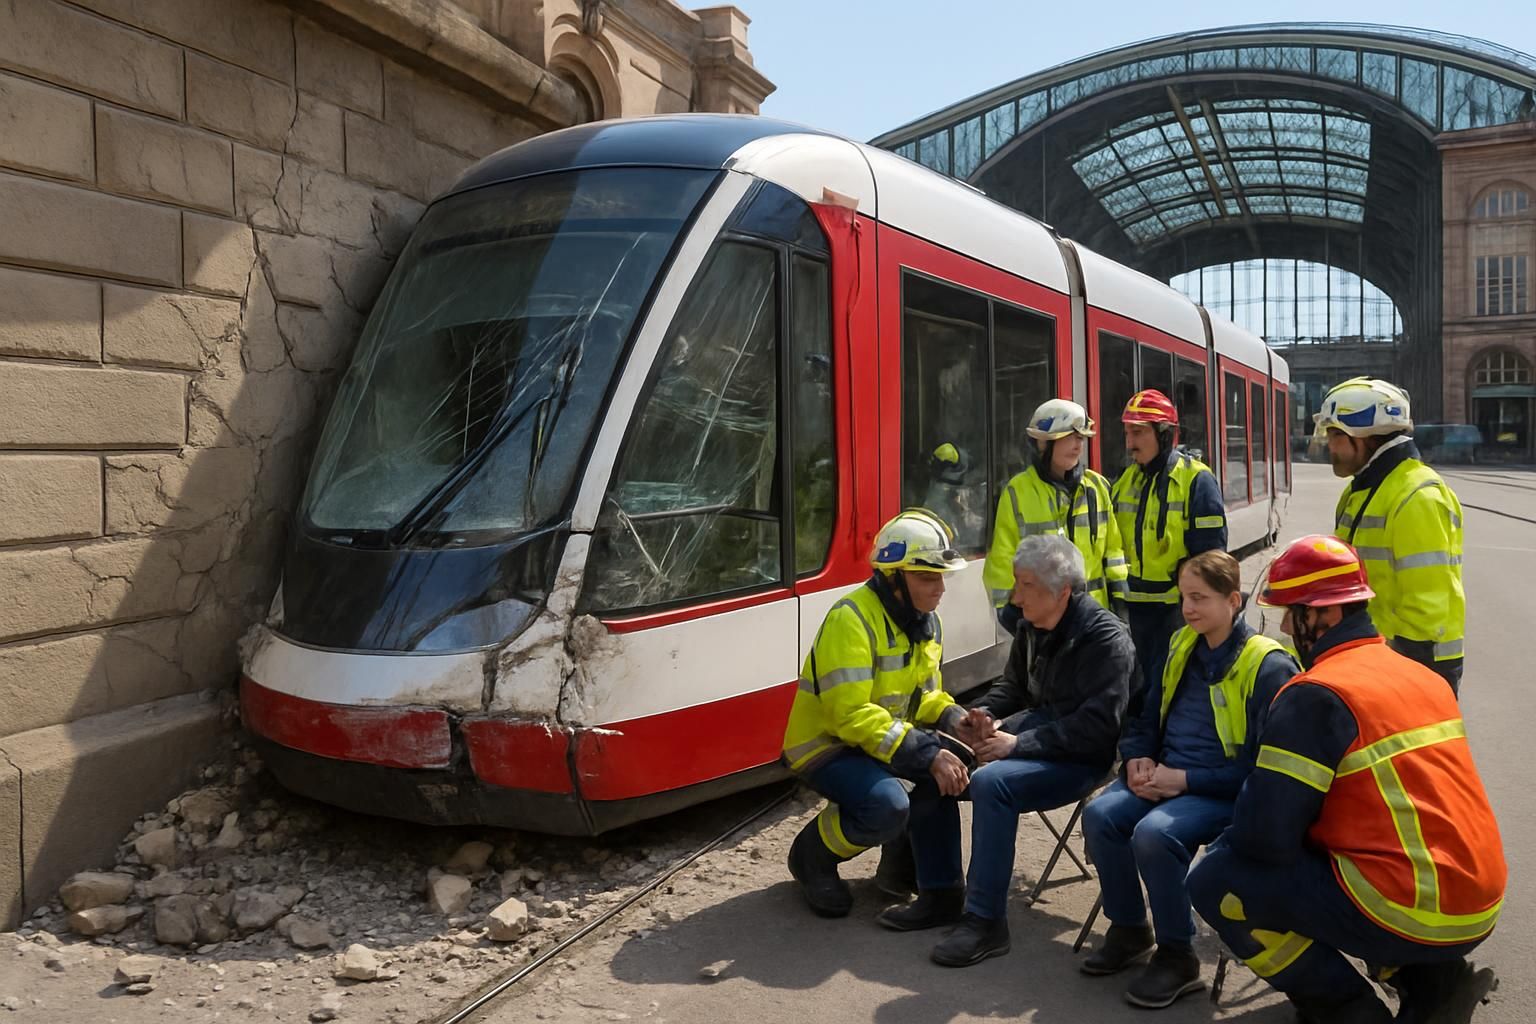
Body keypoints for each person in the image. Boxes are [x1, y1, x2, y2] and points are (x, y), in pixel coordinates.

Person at [1188, 536, 1504, 1024]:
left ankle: (1346, 1012)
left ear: (1327, 615)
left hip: (1410, 907)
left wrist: (1233, 837)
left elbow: (1264, 837)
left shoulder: (1316, 693)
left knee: (1217, 879)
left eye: (1293, 614)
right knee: (1326, 861)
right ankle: (1432, 982)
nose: (1288, 628)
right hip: (1476, 898)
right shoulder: (1418, 674)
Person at [876, 534, 1135, 968]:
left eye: (1025, 585)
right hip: (1034, 734)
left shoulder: (1107, 640)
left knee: (993, 783)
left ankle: (985, 922)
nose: (1015, 597)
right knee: (933, 756)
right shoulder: (1034, 622)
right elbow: (1014, 687)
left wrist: (1017, 743)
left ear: (1063, 591)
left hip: (1081, 756)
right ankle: (940, 892)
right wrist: (984, 715)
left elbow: (1098, 729)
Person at [1080, 550, 1297, 1008]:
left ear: (1233, 600)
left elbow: (1262, 769)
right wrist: (1137, 757)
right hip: (1166, 774)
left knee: (1155, 834)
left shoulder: (1268, 665)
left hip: (1222, 790)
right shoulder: (1181, 643)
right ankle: (1130, 929)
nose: (1188, 608)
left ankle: (1178, 955)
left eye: (1199, 598)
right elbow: (1144, 714)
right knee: (1101, 813)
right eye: (1184, 597)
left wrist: (1184, 779)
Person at [779, 510, 991, 918]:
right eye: (927, 577)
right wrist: (927, 753)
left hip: (877, 741)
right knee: (888, 806)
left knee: (948, 770)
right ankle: (812, 856)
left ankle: (920, 882)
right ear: (893, 579)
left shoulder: (925, 622)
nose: (940, 588)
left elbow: (925, 698)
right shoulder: (851, 619)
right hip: (827, 747)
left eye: (941, 576)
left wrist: (955, 721)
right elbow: (850, 715)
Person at [1315, 377, 1466, 693]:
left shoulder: (1418, 494)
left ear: (1366, 437)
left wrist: (1402, 671)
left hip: (1415, 664)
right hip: (1375, 656)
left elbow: (1427, 604)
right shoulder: (1362, 491)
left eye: (1335, 435)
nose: (1330, 446)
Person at [1110, 389, 1227, 703]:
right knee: (1139, 695)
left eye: (1138, 432)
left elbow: (1212, 559)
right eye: (1126, 433)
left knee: (1174, 694)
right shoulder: (1126, 481)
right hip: (1133, 611)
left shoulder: (1197, 481)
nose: (1129, 443)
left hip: (1176, 613)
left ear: (1164, 435)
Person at [983, 399, 1128, 628]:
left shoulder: (1097, 487)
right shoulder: (1017, 492)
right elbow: (1002, 561)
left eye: (1081, 438)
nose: (1078, 446)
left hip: (1094, 621)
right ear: (1042, 444)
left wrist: (1121, 602)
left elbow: (1113, 551)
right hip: (1043, 624)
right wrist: (1011, 614)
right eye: (1069, 437)